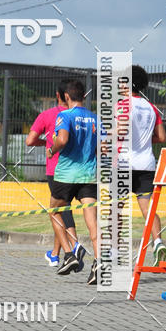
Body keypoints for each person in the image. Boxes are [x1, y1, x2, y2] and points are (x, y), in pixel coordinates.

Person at [26, 83, 86, 270]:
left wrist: (46, 143)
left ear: (59, 95)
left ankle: (74, 245)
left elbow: (30, 140)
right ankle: (55, 254)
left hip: (57, 169)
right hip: (81, 169)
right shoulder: (83, 116)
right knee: (61, 211)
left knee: (59, 210)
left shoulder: (48, 115)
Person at [47, 79, 100, 284]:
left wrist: (51, 150)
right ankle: (99, 263)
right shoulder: (95, 118)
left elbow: (62, 140)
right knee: (92, 221)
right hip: (89, 175)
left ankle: (69, 255)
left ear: (67, 97)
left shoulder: (65, 115)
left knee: (54, 211)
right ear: (84, 96)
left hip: (66, 175)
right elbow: (103, 148)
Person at [127, 65, 166, 264]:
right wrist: (143, 141)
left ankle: (113, 252)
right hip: (146, 164)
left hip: (124, 164)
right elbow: (162, 137)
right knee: (147, 208)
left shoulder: (122, 105)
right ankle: (158, 241)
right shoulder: (151, 107)